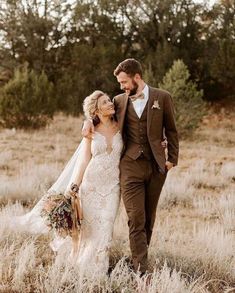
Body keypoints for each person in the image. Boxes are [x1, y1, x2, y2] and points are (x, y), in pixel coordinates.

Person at [82, 58, 179, 275]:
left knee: (148, 218)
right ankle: (141, 273)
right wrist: (87, 121)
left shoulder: (162, 98)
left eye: (124, 81)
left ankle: (137, 258)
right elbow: (99, 114)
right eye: (120, 83)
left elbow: (172, 131)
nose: (122, 86)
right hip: (129, 166)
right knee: (136, 217)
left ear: (137, 77)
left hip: (157, 166)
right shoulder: (118, 100)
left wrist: (171, 159)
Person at [12, 90, 123, 278]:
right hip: (91, 186)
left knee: (105, 227)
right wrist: (74, 186)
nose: (111, 103)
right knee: (87, 230)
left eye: (109, 101)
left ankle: (97, 270)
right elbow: (84, 158)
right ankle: (82, 269)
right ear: (96, 110)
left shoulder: (122, 125)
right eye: (105, 103)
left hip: (112, 187)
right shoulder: (91, 131)